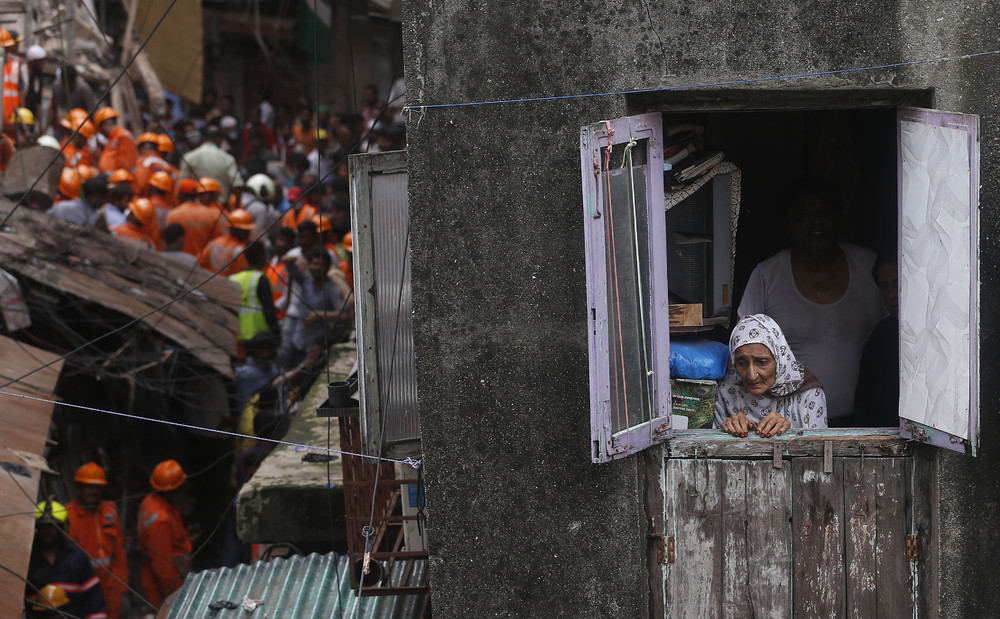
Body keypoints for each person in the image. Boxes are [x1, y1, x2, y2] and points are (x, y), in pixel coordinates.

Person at [737, 179, 885, 423]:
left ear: (838, 218)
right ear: (787, 225)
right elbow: (742, 348)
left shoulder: (868, 265)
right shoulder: (767, 275)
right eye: (804, 215)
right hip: (788, 424)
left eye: (824, 213)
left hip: (867, 424)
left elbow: (899, 335)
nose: (816, 222)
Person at [715, 314, 828, 437]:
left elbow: (820, 449)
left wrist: (789, 433)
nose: (752, 376)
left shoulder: (809, 394)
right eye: (741, 363)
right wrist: (727, 429)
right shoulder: (725, 389)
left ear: (779, 360)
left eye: (762, 362)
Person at [66, 463, 128, 619]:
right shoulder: (68, 516)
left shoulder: (110, 510)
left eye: (98, 487)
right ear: (78, 487)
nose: (94, 491)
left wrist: (123, 586)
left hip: (111, 586)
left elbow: (119, 550)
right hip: (84, 587)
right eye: (89, 486)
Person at [26, 499, 108, 619]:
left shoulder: (77, 557)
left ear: (62, 528)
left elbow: (93, 598)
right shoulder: (27, 560)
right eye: (44, 526)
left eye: (53, 526)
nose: (48, 531)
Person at [138, 460, 193, 610]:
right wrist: (177, 597)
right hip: (165, 585)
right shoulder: (160, 519)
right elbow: (164, 567)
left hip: (161, 577)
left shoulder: (149, 501)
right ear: (173, 491)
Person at [278, 246, 346, 367]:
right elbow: (284, 260)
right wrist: (298, 258)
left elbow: (344, 315)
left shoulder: (331, 287)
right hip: (299, 340)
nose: (316, 268)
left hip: (318, 345)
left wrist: (318, 314)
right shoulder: (306, 279)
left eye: (321, 265)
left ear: (327, 267)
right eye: (314, 264)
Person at [852, 255, 900, 427]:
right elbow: (866, 401)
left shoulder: (938, 331)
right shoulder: (882, 335)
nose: (892, 295)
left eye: (898, 283)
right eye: (885, 287)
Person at [229, 241, 279, 344]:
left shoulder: (233, 279)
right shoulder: (261, 279)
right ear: (262, 256)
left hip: (239, 335)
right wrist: (276, 331)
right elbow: (268, 309)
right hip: (261, 334)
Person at [179, 124, 243, 200]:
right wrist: (236, 208)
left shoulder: (189, 157)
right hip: (221, 207)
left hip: (197, 206)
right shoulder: (227, 158)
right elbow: (238, 184)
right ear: (219, 139)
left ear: (203, 138)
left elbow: (182, 184)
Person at [165, 178, 224, 257]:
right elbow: (218, 242)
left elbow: (168, 242)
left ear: (181, 195)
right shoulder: (211, 214)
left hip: (179, 264)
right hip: (202, 266)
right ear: (196, 195)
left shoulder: (173, 215)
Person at [198, 208, 255, 275]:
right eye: (247, 230)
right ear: (241, 230)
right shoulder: (241, 249)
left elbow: (199, 261)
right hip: (229, 284)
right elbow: (242, 273)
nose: (249, 233)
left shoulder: (216, 241)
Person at [94, 106, 137, 173]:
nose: (100, 132)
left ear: (104, 125)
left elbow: (126, 165)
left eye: (100, 128)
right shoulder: (112, 139)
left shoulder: (122, 136)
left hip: (120, 180)